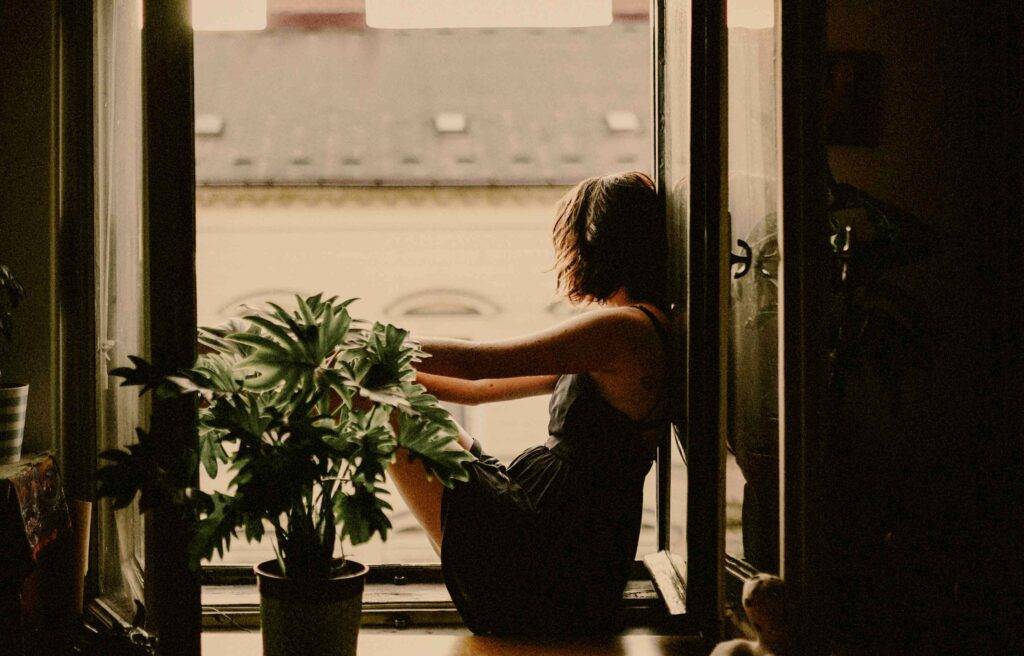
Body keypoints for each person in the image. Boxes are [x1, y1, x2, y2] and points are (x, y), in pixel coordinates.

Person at [387, 171, 673, 636]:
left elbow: (478, 362)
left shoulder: (622, 331)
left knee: (379, 407)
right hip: (560, 538)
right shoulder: (629, 330)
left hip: (550, 553)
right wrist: (395, 378)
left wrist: (381, 348)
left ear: (594, 246)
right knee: (392, 400)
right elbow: (475, 390)